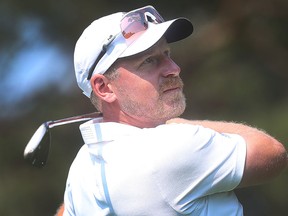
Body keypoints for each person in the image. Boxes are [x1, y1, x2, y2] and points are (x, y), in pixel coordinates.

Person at [60, 5, 287, 216]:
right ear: (103, 87)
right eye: (149, 61)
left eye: (167, 54)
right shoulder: (174, 144)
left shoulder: (81, 171)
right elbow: (272, 153)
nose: (174, 69)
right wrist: (186, 124)